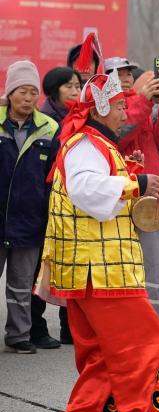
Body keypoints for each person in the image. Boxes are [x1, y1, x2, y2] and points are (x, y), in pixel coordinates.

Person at [36, 62, 159, 412]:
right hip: (103, 271)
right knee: (145, 348)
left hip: (94, 270)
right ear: (99, 109)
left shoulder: (90, 143)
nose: (123, 112)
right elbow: (85, 191)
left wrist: (135, 192)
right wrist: (139, 183)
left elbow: (93, 200)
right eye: (118, 106)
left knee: (102, 357)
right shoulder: (86, 144)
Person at [104, 57, 159, 320]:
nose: (124, 78)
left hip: (152, 197)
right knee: (119, 268)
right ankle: (123, 331)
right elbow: (118, 135)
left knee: (154, 268)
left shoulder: (143, 103)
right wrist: (143, 101)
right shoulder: (103, 110)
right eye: (116, 73)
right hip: (120, 197)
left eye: (128, 73)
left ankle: (151, 330)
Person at [1, 61, 59, 354]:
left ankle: (18, 334)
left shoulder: (50, 128)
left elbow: (54, 176)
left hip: (30, 219)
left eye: (33, 92)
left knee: (22, 284)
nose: (28, 98)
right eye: (22, 91)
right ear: (10, 93)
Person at [31, 65, 80, 348]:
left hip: (70, 201)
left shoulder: (79, 117)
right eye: (68, 86)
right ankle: (34, 326)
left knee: (70, 263)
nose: (75, 90)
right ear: (53, 90)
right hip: (44, 202)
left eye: (77, 85)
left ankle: (69, 328)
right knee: (39, 266)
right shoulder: (46, 121)